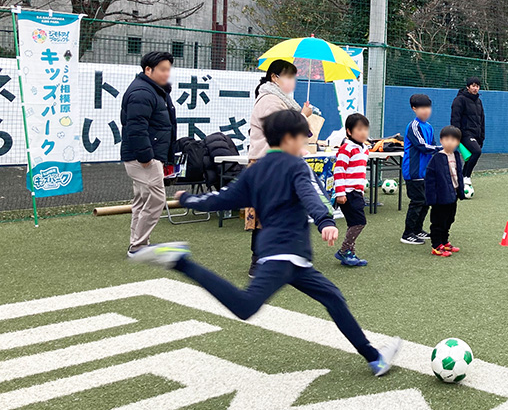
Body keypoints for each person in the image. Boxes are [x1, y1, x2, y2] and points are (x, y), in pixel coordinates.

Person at [129, 109, 402, 376]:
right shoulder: (296, 165)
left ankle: (374, 358)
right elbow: (312, 194)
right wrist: (325, 221)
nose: (305, 144)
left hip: (291, 260)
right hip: (285, 256)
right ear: (288, 138)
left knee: (334, 298)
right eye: (302, 138)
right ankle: (181, 262)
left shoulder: (255, 171)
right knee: (246, 306)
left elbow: (221, 199)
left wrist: (189, 199)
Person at [245, 59, 313, 276]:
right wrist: (303, 116)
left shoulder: (279, 100)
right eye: (288, 76)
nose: (292, 81)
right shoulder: (270, 100)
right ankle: (258, 261)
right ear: (274, 77)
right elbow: (282, 130)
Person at [121, 51, 177, 259]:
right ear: (148, 70)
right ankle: (138, 245)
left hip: (147, 155)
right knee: (155, 199)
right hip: (144, 157)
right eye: (163, 69)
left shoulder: (154, 91)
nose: (166, 74)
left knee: (143, 199)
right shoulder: (143, 93)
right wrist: (146, 157)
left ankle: (137, 243)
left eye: (168, 69)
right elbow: (136, 128)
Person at [401, 93, 441, 245]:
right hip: (413, 171)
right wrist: (443, 148)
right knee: (417, 202)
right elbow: (422, 146)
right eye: (422, 108)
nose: (426, 111)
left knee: (425, 202)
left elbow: (433, 145)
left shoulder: (429, 127)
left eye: (428, 107)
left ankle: (417, 230)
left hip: (425, 172)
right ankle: (407, 233)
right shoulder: (413, 126)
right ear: (414, 109)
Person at [332, 113, 371, 267]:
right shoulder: (346, 148)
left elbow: (359, 172)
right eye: (359, 129)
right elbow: (339, 171)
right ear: (349, 131)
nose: (363, 133)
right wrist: (340, 193)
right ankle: (344, 251)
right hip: (347, 193)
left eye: (365, 129)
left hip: (356, 192)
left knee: (354, 222)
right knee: (359, 222)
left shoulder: (364, 149)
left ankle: (350, 254)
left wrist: (361, 190)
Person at [424, 125, 466, 257]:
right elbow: (429, 180)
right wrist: (431, 198)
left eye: (453, 139)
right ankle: (436, 245)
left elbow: (458, 174)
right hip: (440, 198)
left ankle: (444, 241)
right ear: (441, 141)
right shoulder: (437, 158)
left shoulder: (456, 155)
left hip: (452, 195)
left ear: (458, 142)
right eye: (446, 139)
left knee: (449, 219)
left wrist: (460, 191)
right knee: (438, 221)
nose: (450, 142)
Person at [450, 76, 485, 185]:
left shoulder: (479, 101)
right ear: (468, 87)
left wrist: (482, 136)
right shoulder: (460, 100)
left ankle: (460, 179)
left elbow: (482, 119)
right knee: (476, 152)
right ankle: (466, 176)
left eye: (478, 86)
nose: (476, 88)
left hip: (476, 135)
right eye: (473, 86)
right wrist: (457, 135)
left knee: (471, 156)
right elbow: (455, 118)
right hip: (464, 134)